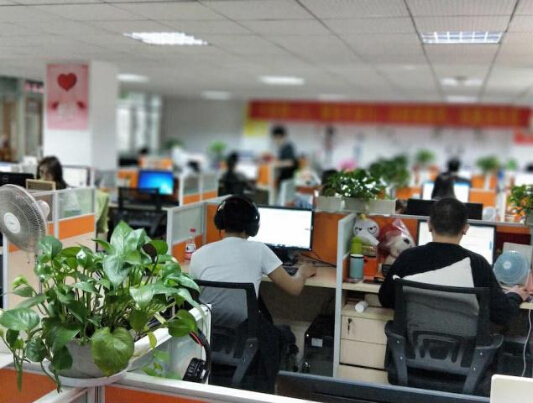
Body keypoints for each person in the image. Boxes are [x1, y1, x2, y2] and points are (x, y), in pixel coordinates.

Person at [190, 196, 316, 391]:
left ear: (220, 222)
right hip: (244, 330)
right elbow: (294, 288)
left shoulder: (198, 255)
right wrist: (303, 272)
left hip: (209, 332)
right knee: (281, 333)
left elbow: (193, 296)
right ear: (252, 226)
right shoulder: (259, 250)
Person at [378, 198, 529, 326]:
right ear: (465, 228)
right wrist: (514, 295)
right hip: (463, 349)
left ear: (429, 225)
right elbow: (502, 315)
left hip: (413, 343)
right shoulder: (478, 264)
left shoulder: (408, 257)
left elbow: (385, 299)